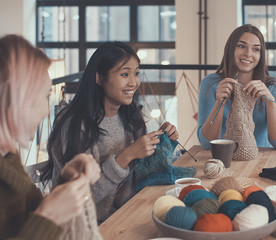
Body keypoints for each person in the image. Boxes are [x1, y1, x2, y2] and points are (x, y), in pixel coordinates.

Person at [42, 41, 179, 223]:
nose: (133, 82)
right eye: (124, 74)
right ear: (99, 78)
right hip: (86, 226)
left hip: (127, 214)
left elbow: (143, 173)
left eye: (136, 73)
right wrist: (125, 157)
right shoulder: (73, 124)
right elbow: (80, 198)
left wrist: (163, 142)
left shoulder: (129, 116)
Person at [0, 35, 101, 239]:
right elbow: (40, 219)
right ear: (19, 98)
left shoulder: (8, 162)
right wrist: (49, 217)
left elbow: (31, 216)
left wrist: (65, 181)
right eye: (45, 96)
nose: (47, 111)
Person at [197, 24, 276, 150]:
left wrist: (270, 103)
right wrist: (219, 103)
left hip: (263, 162)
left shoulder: (274, 87)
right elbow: (207, 143)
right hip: (224, 161)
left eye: (256, 49)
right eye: (241, 46)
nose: (248, 54)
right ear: (231, 49)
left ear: (261, 55)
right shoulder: (211, 84)